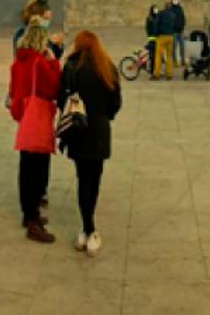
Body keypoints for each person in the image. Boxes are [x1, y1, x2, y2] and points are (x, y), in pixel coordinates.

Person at [60, 31, 122, 257]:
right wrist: (104, 116)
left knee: (82, 178)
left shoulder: (71, 68)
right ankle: (90, 229)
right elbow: (116, 102)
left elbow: (61, 100)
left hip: (77, 129)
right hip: (99, 129)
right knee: (94, 179)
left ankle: (86, 230)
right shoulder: (107, 68)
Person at [11, 15, 63, 242]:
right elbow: (53, 88)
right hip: (38, 116)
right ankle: (32, 220)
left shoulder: (19, 61)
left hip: (24, 115)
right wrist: (54, 62)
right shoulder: (40, 62)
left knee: (26, 166)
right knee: (37, 169)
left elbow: (14, 89)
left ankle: (28, 213)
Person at [152, 0, 176, 80]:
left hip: (162, 36)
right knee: (169, 56)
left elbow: (156, 24)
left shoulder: (161, 14)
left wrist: (155, 34)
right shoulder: (173, 15)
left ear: (165, 7)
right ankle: (169, 74)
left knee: (158, 56)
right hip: (170, 37)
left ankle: (157, 74)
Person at [170, 0, 187, 72]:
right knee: (174, 46)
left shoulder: (180, 8)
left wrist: (183, 26)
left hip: (180, 30)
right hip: (174, 31)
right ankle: (174, 61)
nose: (175, 1)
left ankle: (183, 60)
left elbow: (183, 18)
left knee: (182, 46)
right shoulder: (171, 9)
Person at [144, 4, 159, 76]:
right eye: (154, 9)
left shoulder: (158, 17)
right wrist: (152, 35)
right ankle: (152, 71)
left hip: (157, 38)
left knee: (156, 56)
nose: (156, 10)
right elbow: (148, 28)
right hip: (152, 39)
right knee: (153, 56)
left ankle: (155, 69)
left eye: (156, 8)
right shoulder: (149, 18)